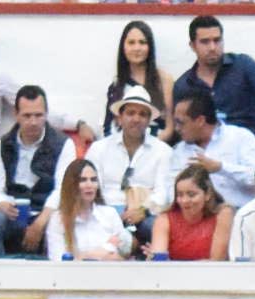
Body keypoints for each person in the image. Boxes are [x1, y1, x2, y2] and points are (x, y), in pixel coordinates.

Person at [57, 85, 171, 248]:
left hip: (145, 215)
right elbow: (92, 186)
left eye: (142, 114)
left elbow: (164, 193)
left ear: (149, 120)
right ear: (119, 118)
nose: (136, 119)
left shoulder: (163, 151)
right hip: (105, 211)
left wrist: (143, 211)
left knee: (157, 227)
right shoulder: (99, 148)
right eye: (130, 113)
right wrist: (110, 213)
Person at [170, 14, 255, 147]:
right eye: (205, 42)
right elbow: (181, 125)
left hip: (249, 147)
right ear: (193, 45)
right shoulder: (184, 85)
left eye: (217, 40)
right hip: (206, 152)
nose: (212, 47)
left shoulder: (243, 65)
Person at [0, 85, 62, 257]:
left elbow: (62, 191)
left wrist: (40, 222)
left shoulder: (63, 144)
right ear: (16, 115)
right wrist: (1, 204)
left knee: (58, 223)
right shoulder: (1, 145)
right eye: (27, 116)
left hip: (48, 212)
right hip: (13, 211)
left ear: (46, 114)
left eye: (38, 115)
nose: (33, 122)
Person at [168, 90, 255, 210]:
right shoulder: (179, 150)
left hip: (240, 212)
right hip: (195, 215)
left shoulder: (240, 137)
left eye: (181, 123)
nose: (177, 128)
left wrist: (220, 168)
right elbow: (170, 190)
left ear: (200, 121)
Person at [96, 21, 170, 146]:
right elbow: (107, 127)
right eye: (131, 42)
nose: (137, 48)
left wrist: (148, 149)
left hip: (156, 147)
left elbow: (170, 129)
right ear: (123, 47)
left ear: (150, 46)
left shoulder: (163, 80)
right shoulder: (117, 85)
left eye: (142, 42)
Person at [45, 157, 130, 261]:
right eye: (83, 180)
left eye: (93, 180)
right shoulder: (57, 220)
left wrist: (81, 256)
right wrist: (98, 252)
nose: (89, 185)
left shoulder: (110, 214)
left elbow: (122, 254)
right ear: (71, 184)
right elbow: (58, 260)